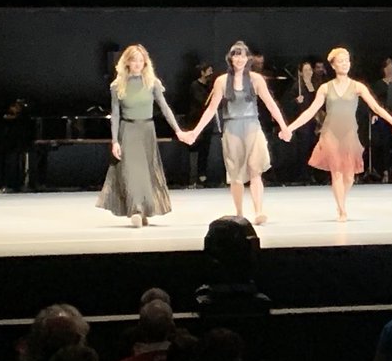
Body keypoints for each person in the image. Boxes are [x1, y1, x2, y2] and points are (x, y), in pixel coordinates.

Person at [280, 48, 392, 221]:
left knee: (349, 176)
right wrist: (290, 128)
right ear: (333, 65)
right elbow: (310, 112)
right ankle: (342, 209)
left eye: (347, 60)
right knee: (337, 171)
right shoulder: (325, 88)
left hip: (349, 133)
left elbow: (376, 107)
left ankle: (341, 200)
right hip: (330, 133)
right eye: (341, 61)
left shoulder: (357, 86)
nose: (345, 63)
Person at [185, 41, 290, 225]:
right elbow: (211, 109)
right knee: (235, 174)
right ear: (230, 58)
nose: (239, 58)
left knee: (255, 170)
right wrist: (195, 131)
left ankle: (259, 211)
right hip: (232, 128)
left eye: (242, 55)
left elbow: (270, 103)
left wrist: (284, 126)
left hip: (252, 126)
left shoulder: (256, 79)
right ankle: (240, 212)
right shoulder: (222, 81)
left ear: (247, 58)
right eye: (236, 54)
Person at [96, 45, 191, 228]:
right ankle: (136, 210)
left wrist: (178, 130)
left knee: (145, 173)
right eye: (134, 60)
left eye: (141, 60)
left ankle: (144, 209)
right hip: (127, 130)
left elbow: (164, 107)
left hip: (147, 130)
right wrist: (115, 141)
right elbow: (115, 114)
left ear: (145, 62)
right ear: (127, 62)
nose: (138, 64)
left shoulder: (151, 82)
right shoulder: (117, 86)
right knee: (131, 173)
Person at [280, 61, 320, 185]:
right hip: (303, 123)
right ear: (301, 73)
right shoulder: (296, 86)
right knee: (303, 149)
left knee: (313, 148)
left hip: (315, 122)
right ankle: (303, 175)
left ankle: (312, 174)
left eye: (310, 70)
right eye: (306, 70)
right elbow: (286, 104)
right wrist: (296, 101)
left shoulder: (315, 85)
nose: (309, 72)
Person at [187, 62, 218, 187]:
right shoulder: (195, 85)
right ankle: (193, 177)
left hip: (207, 123)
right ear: (202, 72)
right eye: (208, 71)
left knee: (205, 150)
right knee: (195, 149)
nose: (211, 74)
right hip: (195, 121)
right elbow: (202, 102)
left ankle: (202, 176)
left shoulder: (210, 86)